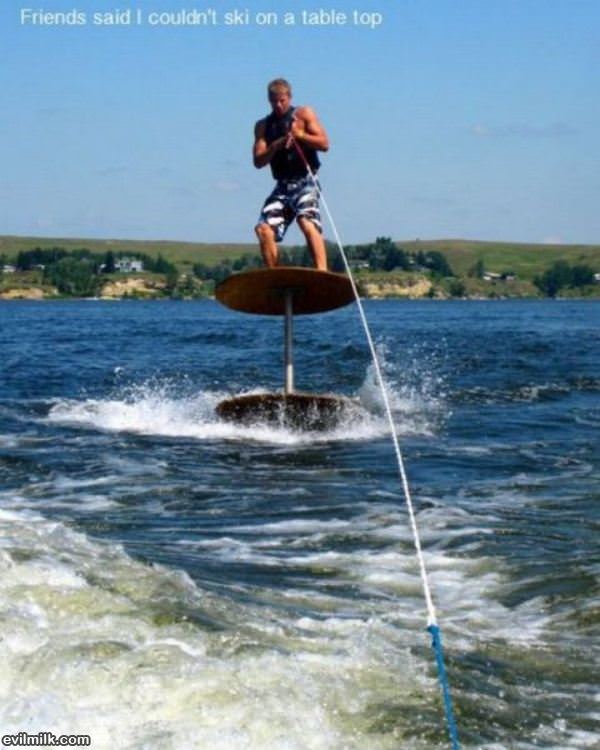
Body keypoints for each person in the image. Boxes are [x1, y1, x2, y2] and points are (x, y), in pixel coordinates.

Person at [253, 79, 329, 270]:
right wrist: (275, 146)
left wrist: (300, 136)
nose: (278, 105)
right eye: (274, 102)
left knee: (306, 221)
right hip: (282, 186)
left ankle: (321, 270)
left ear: (289, 98)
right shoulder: (263, 126)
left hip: (306, 181)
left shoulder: (303, 115)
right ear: (268, 101)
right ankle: (275, 275)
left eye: (282, 101)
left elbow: (324, 144)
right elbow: (258, 161)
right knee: (263, 229)